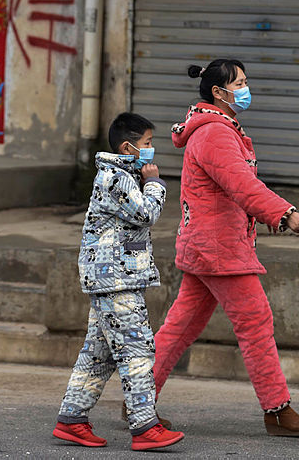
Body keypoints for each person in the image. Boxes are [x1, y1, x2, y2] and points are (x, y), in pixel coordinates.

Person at [151, 59, 299, 436]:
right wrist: (284, 213)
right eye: (240, 83)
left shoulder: (216, 129)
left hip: (210, 245)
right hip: (219, 249)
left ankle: (140, 402)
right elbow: (241, 185)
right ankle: (277, 410)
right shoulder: (215, 134)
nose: (245, 88)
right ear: (218, 92)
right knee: (255, 323)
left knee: (180, 327)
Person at [53, 112, 185, 452]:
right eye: (147, 144)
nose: (150, 151)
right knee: (138, 350)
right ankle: (145, 426)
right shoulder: (117, 178)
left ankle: (72, 419)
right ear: (128, 147)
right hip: (117, 280)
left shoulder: (118, 175)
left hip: (111, 277)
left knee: (99, 353)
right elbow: (146, 214)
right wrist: (155, 183)